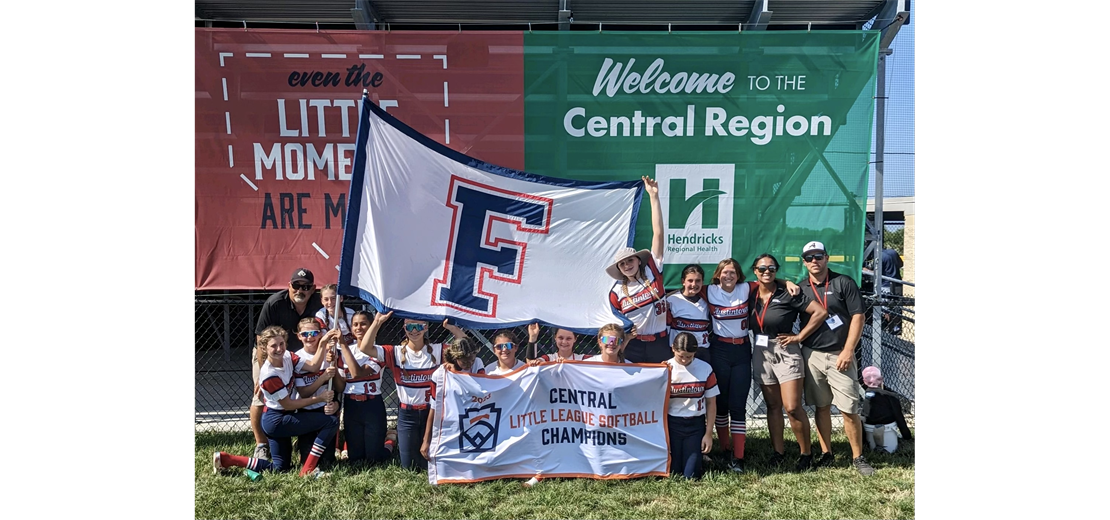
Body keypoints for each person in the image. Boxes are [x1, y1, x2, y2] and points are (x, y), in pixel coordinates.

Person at [213, 325, 338, 477]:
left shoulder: (288, 356)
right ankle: (308, 469)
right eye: (273, 346)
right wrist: (319, 398)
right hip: (277, 420)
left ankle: (227, 459)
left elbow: (313, 366)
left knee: (281, 468)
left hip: (278, 418)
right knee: (330, 421)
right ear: (264, 348)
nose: (279, 349)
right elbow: (288, 404)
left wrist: (323, 342)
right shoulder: (269, 374)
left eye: (281, 344)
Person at [797, 241, 875, 476]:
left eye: (818, 256)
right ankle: (826, 453)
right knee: (821, 407)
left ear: (827, 258)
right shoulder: (801, 288)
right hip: (811, 354)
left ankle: (857, 457)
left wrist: (848, 350)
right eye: (809, 257)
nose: (814, 261)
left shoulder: (843, 282)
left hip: (840, 354)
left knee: (849, 408)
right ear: (804, 262)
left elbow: (858, 317)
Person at [359, 310, 467, 470]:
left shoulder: (438, 351)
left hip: (432, 413)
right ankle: (392, 439)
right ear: (404, 328)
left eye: (418, 326)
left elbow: (465, 348)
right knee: (408, 466)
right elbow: (365, 348)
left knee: (430, 464)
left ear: (425, 328)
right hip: (406, 415)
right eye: (410, 327)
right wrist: (377, 323)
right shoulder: (395, 352)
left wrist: (453, 329)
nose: (414, 331)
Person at [748, 254, 827, 472]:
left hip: (785, 349)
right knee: (772, 406)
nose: (766, 272)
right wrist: (784, 279)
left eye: (771, 269)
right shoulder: (750, 293)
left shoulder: (788, 293)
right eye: (762, 268)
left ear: (776, 270)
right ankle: (778, 452)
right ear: (754, 271)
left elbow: (820, 312)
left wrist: (799, 337)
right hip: (761, 351)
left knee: (792, 407)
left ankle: (806, 454)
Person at [249, 268, 324, 461]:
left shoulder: (318, 303)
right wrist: (262, 375)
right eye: (296, 285)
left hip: (298, 354)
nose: (301, 290)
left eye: (306, 287)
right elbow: (260, 340)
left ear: (313, 289)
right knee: (260, 397)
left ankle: (302, 438)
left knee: (297, 392)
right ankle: (261, 445)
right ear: (289, 286)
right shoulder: (274, 303)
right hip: (269, 352)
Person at [606, 176, 668, 364]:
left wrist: (653, 197)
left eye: (630, 260)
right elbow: (615, 325)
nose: (627, 265)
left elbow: (658, 233)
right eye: (622, 264)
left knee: (661, 391)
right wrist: (625, 339)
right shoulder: (616, 293)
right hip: (634, 347)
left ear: (639, 260)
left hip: (661, 342)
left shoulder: (653, 269)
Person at [337, 310, 395, 465]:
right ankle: (347, 446)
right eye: (355, 324)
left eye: (363, 324)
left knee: (374, 459)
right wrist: (332, 368)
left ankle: (390, 442)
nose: (358, 328)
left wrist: (343, 345)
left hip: (372, 404)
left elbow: (357, 374)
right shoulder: (344, 351)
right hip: (351, 404)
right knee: (355, 459)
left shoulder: (378, 351)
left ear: (371, 326)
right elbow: (341, 385)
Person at [665, 332, 719, 480]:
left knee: (691, 475)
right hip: (672, 424)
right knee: (674, 473)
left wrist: (708, 434)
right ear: (673, 349)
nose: (684, 360)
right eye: (680, 355)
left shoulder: (705, 369)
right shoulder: (665, 368)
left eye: (689, 356)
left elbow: (711, 402)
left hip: (695, 425)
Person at [420, 337, 483, 461]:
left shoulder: (477, 364)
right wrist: (426, 440)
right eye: (464, 362)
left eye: (472, 360)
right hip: (450, 424)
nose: (469, 364)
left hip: (474, 420)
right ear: (455, 358)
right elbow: (434, 408)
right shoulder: (439, 374)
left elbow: (482, 388)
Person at [291, 318, 342, 468]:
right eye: (305, 333)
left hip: (326, 410)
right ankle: (301, 444)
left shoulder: (330, 354)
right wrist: (323, 377)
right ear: (299, 336)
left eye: (314, 333)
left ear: (320, 334)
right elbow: (304, 393)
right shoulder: (298, 358)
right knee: (307, 463)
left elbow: (340, 387)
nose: (309, 337)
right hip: (306, 410)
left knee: (327, 463)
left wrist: (337, 404)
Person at [666, 264, 712, 364]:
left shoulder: (707, 300)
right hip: (679, 352)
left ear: (702, 282)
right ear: (683, 282)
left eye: (698, 281)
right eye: (690, 280)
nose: (694, 284)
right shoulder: (671, 300)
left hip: (701, 351)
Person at [861, 366, 913, 453]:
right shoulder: (891, 396)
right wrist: (907, 436)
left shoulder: (866, 395)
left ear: (864, 382)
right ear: (881, 379)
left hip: (869, 425)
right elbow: (899, 417)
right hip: (887, 424)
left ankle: (866, 443)